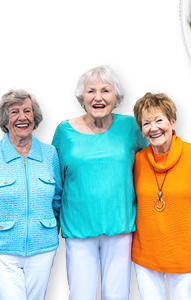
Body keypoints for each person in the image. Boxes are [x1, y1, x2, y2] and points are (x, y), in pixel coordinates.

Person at [52, 65, 147, 300]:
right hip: (78, 227)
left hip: (120, 225)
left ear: (116, 97)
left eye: (105, 90)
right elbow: (55, 181)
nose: (98, 97)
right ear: (81, 98)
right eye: (90, 91)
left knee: (117, 295)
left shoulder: (130, 127)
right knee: (80, 294)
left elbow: (151, 165)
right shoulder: (64, 131)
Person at [132, 92, 191, 300]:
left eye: (159, 120)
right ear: (141, 129)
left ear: (172, 122)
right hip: (145, 257)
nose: (153, 128)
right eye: (146, 123)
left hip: (185, 259)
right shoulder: (137, 160)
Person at [0, 89, 62, 300]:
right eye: (14, 111)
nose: (22, 117)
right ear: (5, 120)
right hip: (4, 249)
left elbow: (58, 198)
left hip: (42, 246)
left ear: (34, 118)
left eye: (27, 111)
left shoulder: (49, 153)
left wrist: (50, 225)